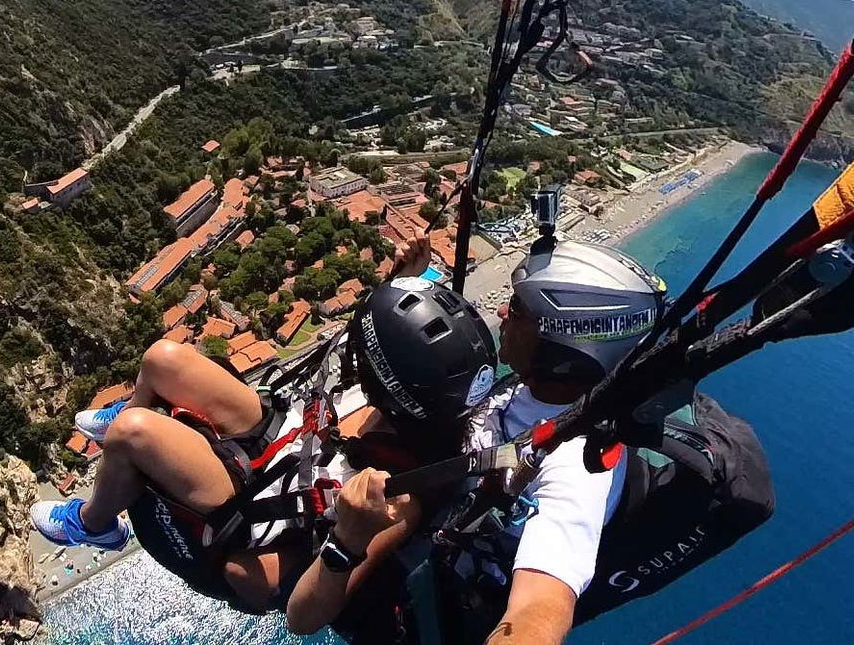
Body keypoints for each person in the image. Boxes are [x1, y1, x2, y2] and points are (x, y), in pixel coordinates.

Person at [30, 236, 499, 614]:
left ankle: (95, 524)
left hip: (262, 505)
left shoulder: (400, 497)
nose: (356, 350)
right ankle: (142, 408)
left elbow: (303, 619)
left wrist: (350, 539)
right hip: (283, 434)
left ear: (392, 385)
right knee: (162, 358)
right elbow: (358, 348)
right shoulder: (405, 397)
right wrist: (401, 283)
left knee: (134, 432)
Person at [286, 239, 670, 643]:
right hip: (442, 473)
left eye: (518, 310)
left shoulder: (578, 467)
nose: (502, 311)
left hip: (423, 539)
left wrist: (346, 541)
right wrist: (403, 286)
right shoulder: (539, 391)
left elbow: (541, 606)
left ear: (562, 348)